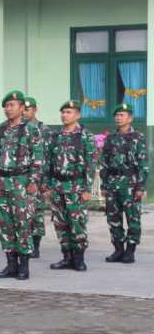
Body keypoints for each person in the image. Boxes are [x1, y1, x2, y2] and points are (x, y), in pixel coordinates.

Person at [0, 90, 44, 280]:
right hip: (2, 182)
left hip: (21, 182)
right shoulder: (0, 129)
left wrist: (34, 181)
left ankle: (24, 266)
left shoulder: (31, 129)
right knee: (4, 224)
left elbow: (38, 157)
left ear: (22, 108)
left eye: (12, 105)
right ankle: (11, 264)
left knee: (22, 223)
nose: (8, 109)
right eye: (6, 106)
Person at [43, 100, 95, 271]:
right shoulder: (55, 136)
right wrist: (48, 185)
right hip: (58, 186)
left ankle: (79, 258)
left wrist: (87, 189)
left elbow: (90, 163)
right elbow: (48, 163)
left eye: (69, 112)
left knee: (77, 222)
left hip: (76, 186)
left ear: (77, 115)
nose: (65, 115)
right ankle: (67, 257)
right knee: (60, 223)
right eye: (63, 112)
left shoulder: (85, 136)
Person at [100, 102, 150, 263]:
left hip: (130, 183)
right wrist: (104, 185)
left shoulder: (138, 138)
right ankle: (118, 249)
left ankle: (130, 250)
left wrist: (141, 186)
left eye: (122, 115)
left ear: (130, 118)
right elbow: (105, 163)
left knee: (132, 218)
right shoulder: (111, 138)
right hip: (113, 182)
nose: (118, 118)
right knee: (113, 218)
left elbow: (143, 165)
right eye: (117, 115)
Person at [24, 97, 51, 258]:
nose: (25, 112)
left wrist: (46, 182)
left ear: (35, 110)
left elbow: (48, 157)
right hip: (20, 178)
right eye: (24, 109)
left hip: (39, 178)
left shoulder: (44, 130)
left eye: (28, 109)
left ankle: (35, 246)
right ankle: (23, 244)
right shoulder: (18, 129)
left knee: (37, 213)